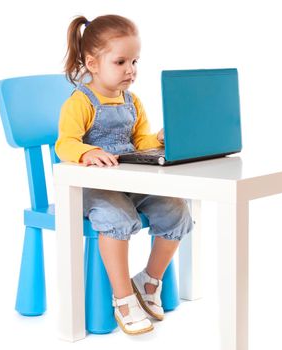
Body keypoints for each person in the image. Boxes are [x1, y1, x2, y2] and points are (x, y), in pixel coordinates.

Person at [55, 14, 194, 336]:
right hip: (92, 188)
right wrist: (87, 152)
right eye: (120, 62)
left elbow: (139, 140)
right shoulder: (80, 102)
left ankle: (149, 280)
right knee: (117, 218)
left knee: (176, 211)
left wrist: (158, 141)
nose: (130, 70)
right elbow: (66, 143)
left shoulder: (133, 101)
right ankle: (122, 297)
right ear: (92, 63)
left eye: (134, 61)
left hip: (133, 183)